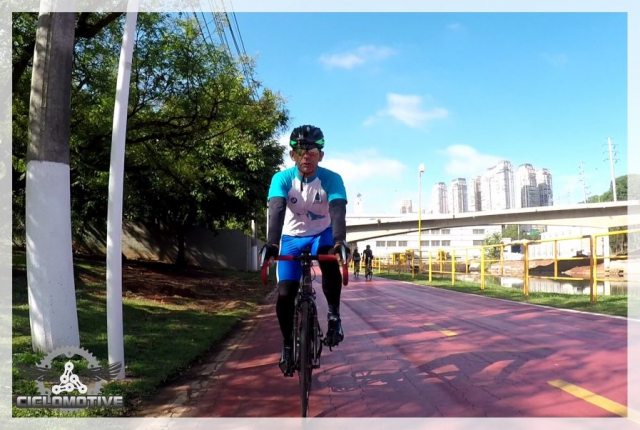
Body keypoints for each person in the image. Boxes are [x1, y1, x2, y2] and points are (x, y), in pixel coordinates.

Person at [262, 124, 349, 377]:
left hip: (322, 234)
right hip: (291, 238)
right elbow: (276, 209)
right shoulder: (281, 179)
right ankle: (288, 345)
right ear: (292, 155)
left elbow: (338, 210)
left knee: (329, 259)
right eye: (300, 151)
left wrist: (340, 241)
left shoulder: (332, 179)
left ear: (321, 155)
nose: (306, 156)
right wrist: (272, 244)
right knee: (285, 294)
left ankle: (334, 317)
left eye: (312, 151)